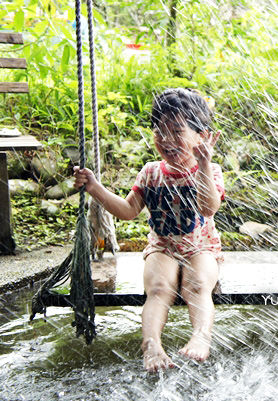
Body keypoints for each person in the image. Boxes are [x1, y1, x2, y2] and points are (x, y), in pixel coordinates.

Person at [74, 88, 225, 372]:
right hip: (163, 246)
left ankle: (201, 336)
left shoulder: (210, 170)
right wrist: (95, 187)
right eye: (159, 131)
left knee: (198, 285)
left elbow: (208, 208)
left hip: (201, 246)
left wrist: (203, 164)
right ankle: (151, 345)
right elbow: (129, 211)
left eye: (176, 131)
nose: (166, 140)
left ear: (202, 136)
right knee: (158, 289)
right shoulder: (151, 172)